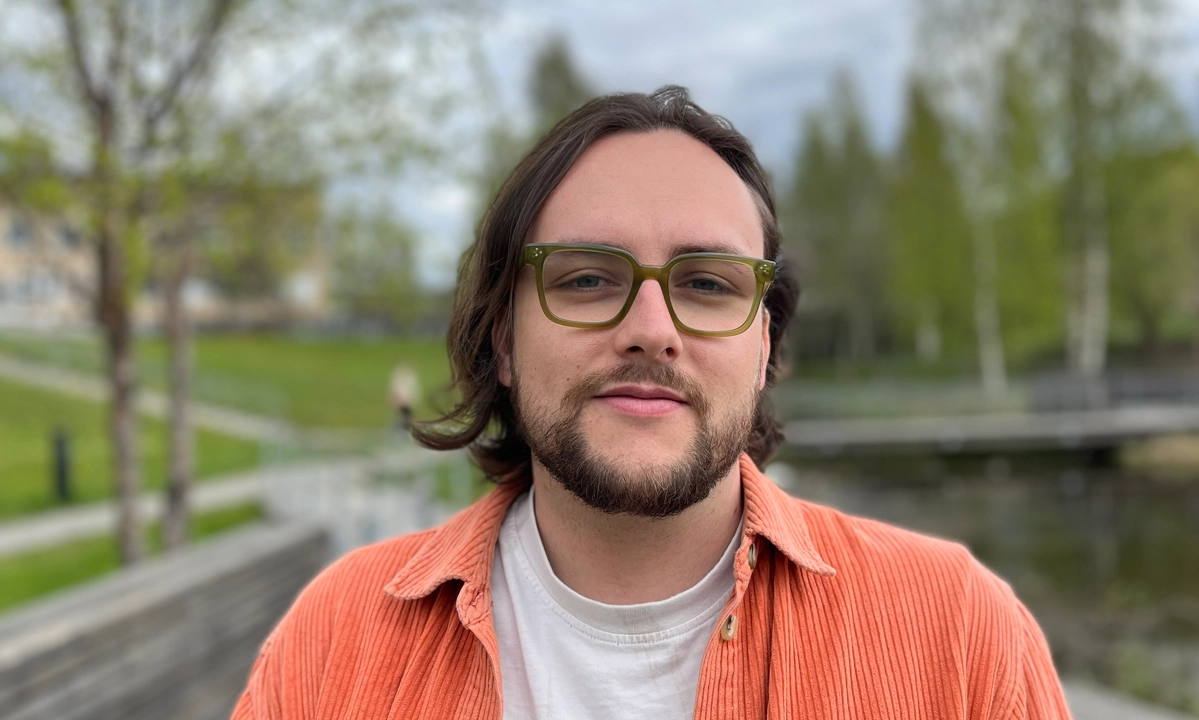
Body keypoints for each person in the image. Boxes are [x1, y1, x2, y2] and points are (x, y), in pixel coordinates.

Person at [230, 86, 1071, 720]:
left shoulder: (958, 638)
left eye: (707, 283)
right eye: (588, 278)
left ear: (765, 343)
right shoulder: (333, 646)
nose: (651, 330)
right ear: (502, 340)